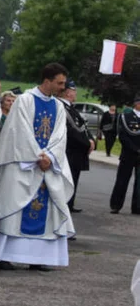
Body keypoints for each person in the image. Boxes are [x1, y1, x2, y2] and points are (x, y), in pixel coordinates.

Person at [0, 63, 73, 271]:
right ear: (47, 81)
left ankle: (38, 257)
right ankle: (3, 256)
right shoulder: (25, 100)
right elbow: (19, 131)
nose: (63, 87)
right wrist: (37, 156)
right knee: (13, 207)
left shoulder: (58, 106)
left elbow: (60, 135)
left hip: (46, 167)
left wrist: (50, 157)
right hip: (23, 164)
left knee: (47, 211)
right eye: (59, 83)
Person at [58, 80, 94, 213]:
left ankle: (70, 203)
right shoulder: (61, 107)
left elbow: (82, 127)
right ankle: (65, 204)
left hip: (77, 152)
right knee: (69, 178)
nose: (75, 93)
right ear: (68, 92)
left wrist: (91, 139)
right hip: (70, 151)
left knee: (74, 178)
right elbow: (71, 131)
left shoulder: (71, 108)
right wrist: (86, 143)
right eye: (74, 91)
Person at [111, 97, 140, 215]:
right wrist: (136, 149)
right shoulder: (125, 117)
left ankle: (137, 207)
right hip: (128, 153)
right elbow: (123, 136)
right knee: (122, 180)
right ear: (137, 104)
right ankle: (116, 205)